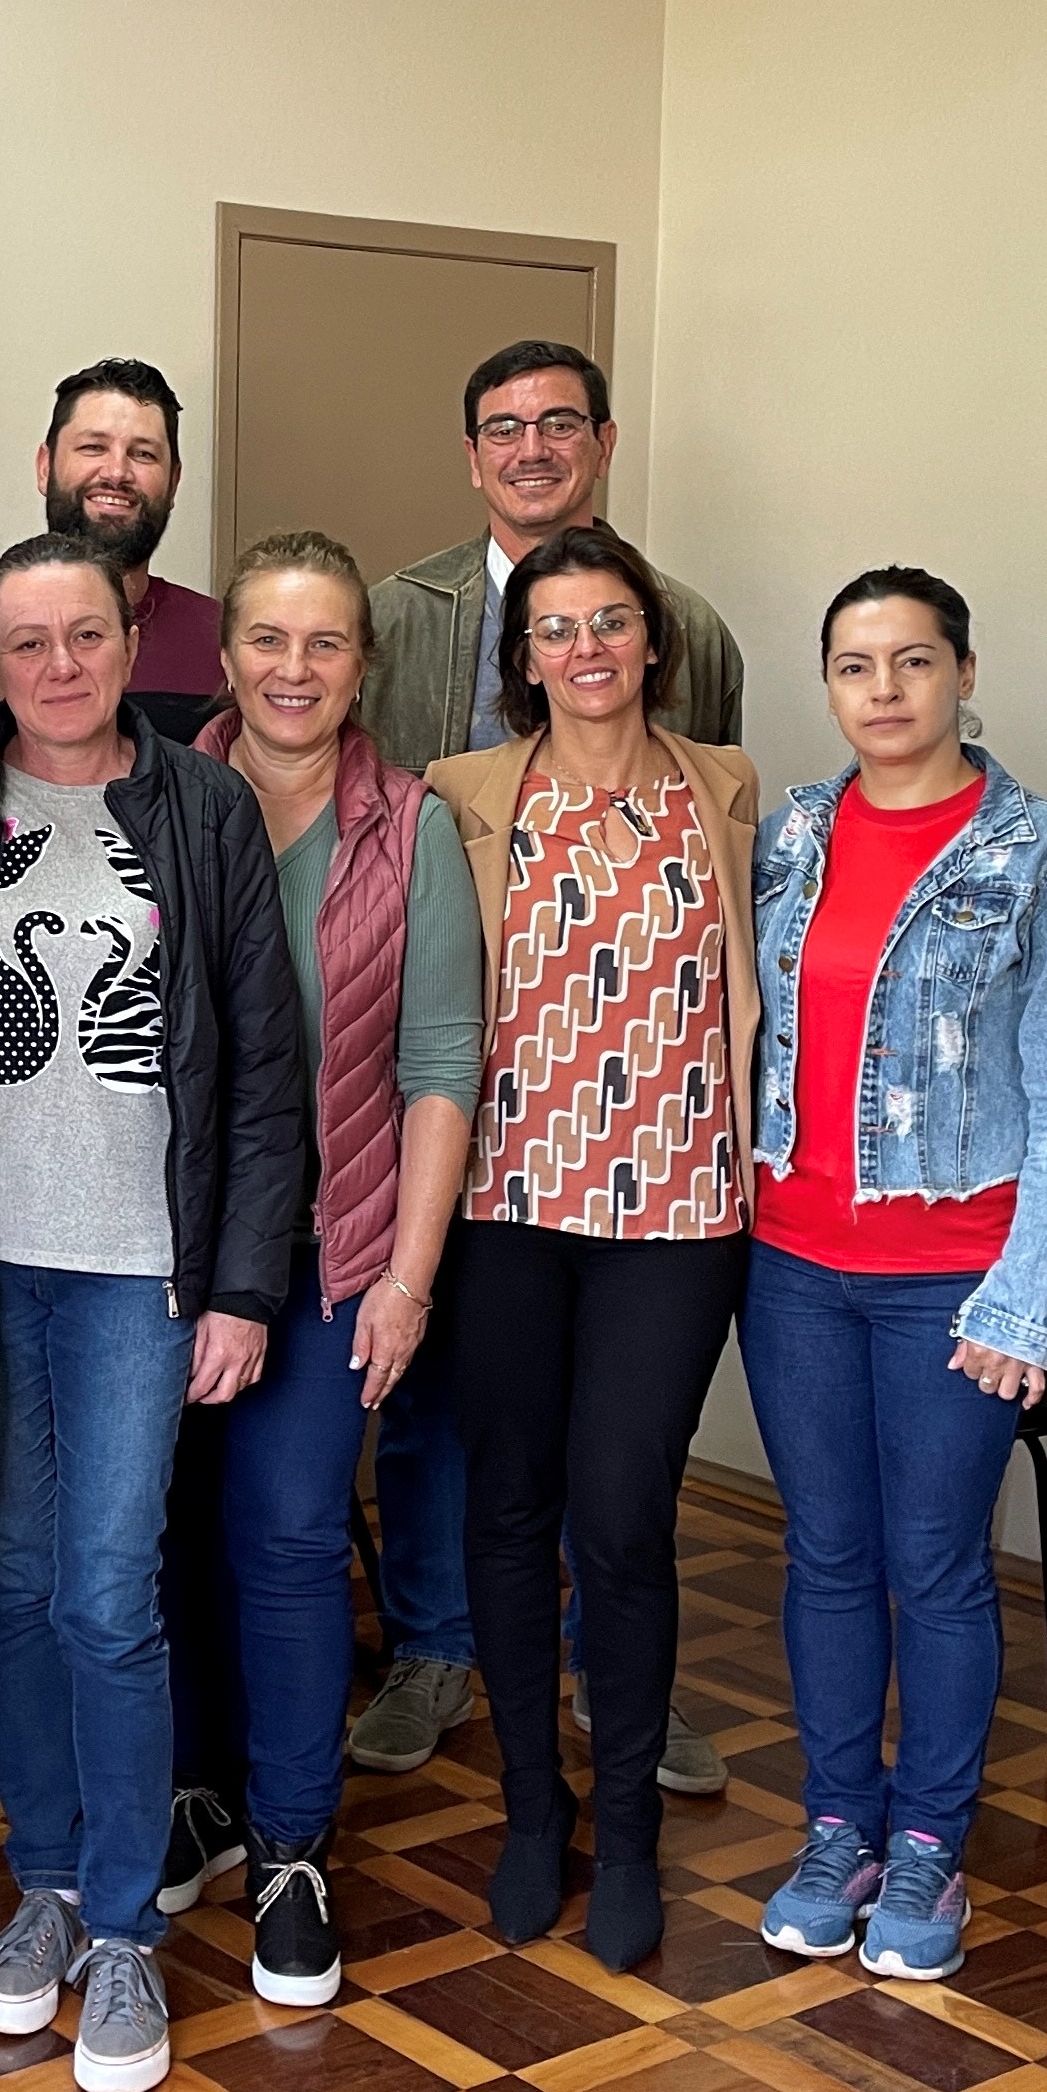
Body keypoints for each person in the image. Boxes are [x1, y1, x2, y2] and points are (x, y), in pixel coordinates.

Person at [0, 534, 303, 2092]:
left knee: (107, 1589)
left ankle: (130, 1926)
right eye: (27, 642)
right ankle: (52, 1885)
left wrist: (243, 1286)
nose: (59, 666)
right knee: (9, 1584)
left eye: (86, 635)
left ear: (134, 641)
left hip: (145, 1267)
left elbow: (262, 1070)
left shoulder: (204, 807)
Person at [352, 338, 745, 1810]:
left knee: (621, 1459)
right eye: (504, 428)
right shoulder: (402, 612)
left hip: (658, 1156)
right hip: (476, 1112)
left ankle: (607, 1668)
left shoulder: (694, 639)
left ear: (603, 442)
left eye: (559, 423)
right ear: (472, 455)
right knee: (454, 1411)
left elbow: (724, 862)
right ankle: (437, 1646)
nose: (532, 448)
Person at [738, 570, 1047, 1983]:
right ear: (829, 686)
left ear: (965, 671)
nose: (885, 690)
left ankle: (927, 1846)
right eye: (856, 666)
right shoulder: (791, 835)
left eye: (914, 660)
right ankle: (839, 1825)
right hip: (792, 1266)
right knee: (828, 1555)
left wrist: (1031, 1299)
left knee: (936, 1564)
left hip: (955, 1282)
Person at [429, 524, 759, 1973]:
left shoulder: (728, 790)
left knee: (621, 1516)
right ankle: (530, 1808)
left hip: (676, 1215)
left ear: (652, 638)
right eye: (555, 628)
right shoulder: (464, 795)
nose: (586, 649)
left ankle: (626, 1828)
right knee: (509, 1507)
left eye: (610, 620)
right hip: (503, 1204)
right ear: (523, 657)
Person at [177, 533, 481, 2011]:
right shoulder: (158, 796)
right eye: (268, 640)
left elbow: (440, 1067)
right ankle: (196, 1792)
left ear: (364, 664)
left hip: (332, 1248)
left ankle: (293, 1843)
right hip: (158, 1253)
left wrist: (407, 1280)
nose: (294, 670)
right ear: (225, 654)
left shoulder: (411, 828)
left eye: (325, 643)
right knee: (160, 1540)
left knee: (290, 1536)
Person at [0, 360, 227, 743]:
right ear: (45, 467)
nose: (116, 472)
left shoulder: (224, 640)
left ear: (173, 482)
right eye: (93, 447)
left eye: (143, 454)